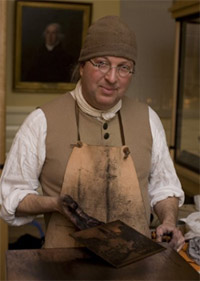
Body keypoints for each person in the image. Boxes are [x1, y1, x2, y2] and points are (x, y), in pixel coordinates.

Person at [0, 16, 185, 250]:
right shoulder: (41, 121)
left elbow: (164, 188)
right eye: (101, 63)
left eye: (124, 68)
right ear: (82, 66)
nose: (112, 77)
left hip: (135, 265)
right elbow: (11, 197)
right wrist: (55, 204)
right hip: (64, 266)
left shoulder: (148, 119)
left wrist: (168, 221)